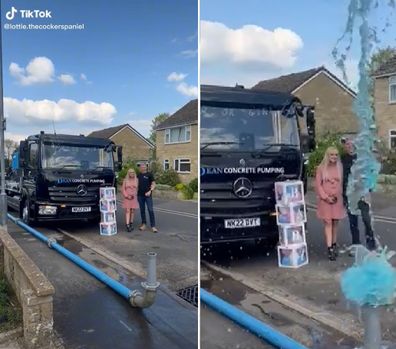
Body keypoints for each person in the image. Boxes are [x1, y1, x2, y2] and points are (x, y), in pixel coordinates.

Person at [341, 139, 376, 253]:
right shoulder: (342, 160)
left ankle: (371, 245)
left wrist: (369, 189)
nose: (350, 146)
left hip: (362, 196)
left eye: (352, 144)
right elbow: (341, 178)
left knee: (366, 220)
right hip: (349, 196)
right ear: (344, 146)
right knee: (353, 222)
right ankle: (356, 245)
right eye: (347, 144)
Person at [315, 146, 346, 261]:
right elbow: (318, 185)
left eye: (336, 155)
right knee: (328, 223)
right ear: (327, 156)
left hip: (337, 200)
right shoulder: (321, 168)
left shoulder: (339, 167)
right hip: (326, 201)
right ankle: (329, 249)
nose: (334, 157)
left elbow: (341, 184)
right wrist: (326, 197)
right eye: (332, 155)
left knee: (335, 222)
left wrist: (339, 196)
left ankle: (334, 244)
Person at [137, 163, 158, 233]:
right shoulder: (138, 175)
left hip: (148, 196)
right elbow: (135, 184)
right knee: (142, 210)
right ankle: (144, 224)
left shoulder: (149, 174)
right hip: (140, 195)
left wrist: (150, 191)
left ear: (146, 167)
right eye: (141, 166)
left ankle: (153, 226)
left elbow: (154, 184)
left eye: (144, 166)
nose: (142, 167)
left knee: (150, 210)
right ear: (140, 168)